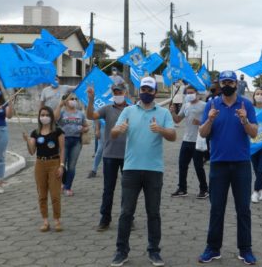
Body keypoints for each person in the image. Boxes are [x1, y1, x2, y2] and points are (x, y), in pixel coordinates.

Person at [110, 76, 176, 267]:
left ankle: (154, 251)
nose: (146, 93)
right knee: (126, 212)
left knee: (153, 213)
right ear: (139, 91)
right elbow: (113, 133)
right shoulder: (129, 111)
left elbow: (172, 136)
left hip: (154, 170)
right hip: (131, 168)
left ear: (155, 92)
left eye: (149, 90)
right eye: (143, 89)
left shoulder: (163, 113)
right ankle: (121, 251)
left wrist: (161, 129)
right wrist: (119, 129)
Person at [198, 70, 258, 265]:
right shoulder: (212, 104)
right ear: (219, 83)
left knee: (243, 209)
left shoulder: (246, 104)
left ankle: (245, 249)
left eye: (230, 82)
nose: (227, 85)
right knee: (216, 208)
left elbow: (254, 133)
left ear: (236, 84)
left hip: (241, 164)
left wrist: (245, 120)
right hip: (218, 164)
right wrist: (210, 119)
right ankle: (213, 248)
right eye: (224, 82)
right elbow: (203, 132)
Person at [86, 84, 128, 232]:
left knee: (128, 190)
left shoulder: (132, 109)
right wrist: (91, 100)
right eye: (115, 92)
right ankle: (105, 219)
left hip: (128, 156)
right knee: (108, 189)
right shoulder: (107, 109)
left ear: (125, 93)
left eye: (120, 92)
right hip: (110, 155)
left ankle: (128, 218)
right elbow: (90, 116)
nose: (118, 94)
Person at [23, 106, 65, 232]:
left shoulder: (58, 131)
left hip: (54, 163)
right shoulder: (35, 133)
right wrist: (27, 141)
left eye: (47, 114)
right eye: (42, 115)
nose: (44, 117)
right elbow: (32, 151)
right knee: (42, 194)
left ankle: (57, 220)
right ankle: (45, 221)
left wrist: (61, 166)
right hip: (40, 164)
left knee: (55, 194)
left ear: (51, 117)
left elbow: (63, 149)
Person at [170, 84, 208, 199]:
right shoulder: (185, 105)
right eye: (188, 93)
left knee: (198, 166)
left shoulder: (204, 105)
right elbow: (177, 120)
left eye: (192, 92)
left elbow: (211, 121)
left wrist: (201, 122)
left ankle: (204, 189)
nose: (190, 95)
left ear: (196, 93)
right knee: (182, 165)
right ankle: (182, 189)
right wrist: (172, 112)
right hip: (186, 140)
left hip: (198, 140)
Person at [54, 93, 89, 196]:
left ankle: (68, 187)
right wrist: (60, 105)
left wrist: (84, 129)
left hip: (76, 141)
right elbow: (55, 118)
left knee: (72, 166)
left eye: (75, 99)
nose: (73, 100)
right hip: (63, 141)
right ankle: (63, 183)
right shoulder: (62, 112)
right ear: (66, 101)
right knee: (61, 164)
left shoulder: (80, 114)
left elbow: (86, 126)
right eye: (71, 99)